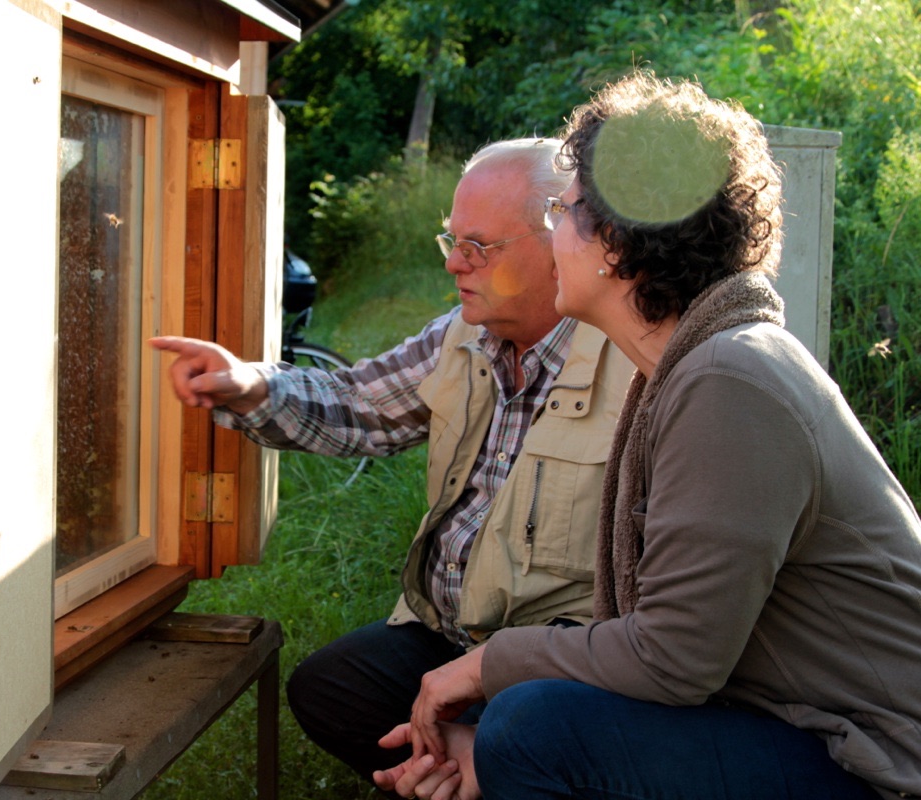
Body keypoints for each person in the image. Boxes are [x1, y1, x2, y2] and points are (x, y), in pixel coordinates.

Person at [373, 71, 921, 800]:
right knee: (511, 722)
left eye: (562, 212)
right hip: (791, 722)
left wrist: (485, 665)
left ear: (619, 240)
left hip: (877, 761)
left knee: (531, 726)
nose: (552, 234)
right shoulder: (697, 365)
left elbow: (672, 658)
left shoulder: (730, 381)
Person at [150, 138, 635, 787]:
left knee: (520, 730)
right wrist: (251, 386)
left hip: (555, 664)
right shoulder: (463, 334)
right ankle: (459, 770)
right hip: (450, 636)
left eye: (478, 247)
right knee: (327, 689)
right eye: (451, 240)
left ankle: (487, 764)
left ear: (559, 243)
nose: (454, 263)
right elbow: (359, 405)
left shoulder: (636, 364)